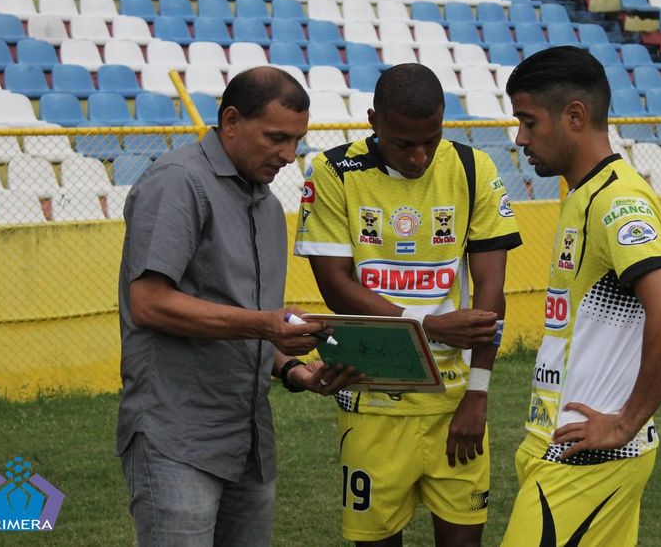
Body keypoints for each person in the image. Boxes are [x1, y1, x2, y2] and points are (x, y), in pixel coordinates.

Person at [116, 66, 359, 547]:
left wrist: (293, 369)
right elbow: (148, 304)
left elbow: (244, 324)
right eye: (276, 137)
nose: (289, 155)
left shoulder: (266, 205)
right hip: (176, 437)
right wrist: (268, 324)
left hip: (248, 439)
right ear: (230, 121)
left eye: (297, 140)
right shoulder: (179, 182)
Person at [294, 63, 523, 547]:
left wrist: (478, 394)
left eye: (432, 139)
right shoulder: (334, 171)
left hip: (454, 402)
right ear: (373, 121)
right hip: (371, 397)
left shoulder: (471, 167)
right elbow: (336, 286)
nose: (420, 157)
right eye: (403, 144)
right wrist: (432, 326)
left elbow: (491, 295)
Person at [501, 46, 661, 546]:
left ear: (575, 116)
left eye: (528, 121)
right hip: (573, 452)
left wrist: (626, 422)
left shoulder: (617, 201)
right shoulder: (583, 193)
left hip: (587, 461)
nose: (519, 138)